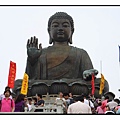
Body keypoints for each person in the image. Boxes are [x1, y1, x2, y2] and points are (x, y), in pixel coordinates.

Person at [13, 12, 109, 97]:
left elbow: (89, 76)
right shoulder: (42, 53)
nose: (60, 29)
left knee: (102, 83)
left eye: (65, 25)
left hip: (74, 85)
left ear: (72, 31)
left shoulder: (80, 53)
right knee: (17, 84)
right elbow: (29, 79)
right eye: (55, 26)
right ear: (49, 31)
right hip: (46, 86)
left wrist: (88, 74)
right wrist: (32, 60)